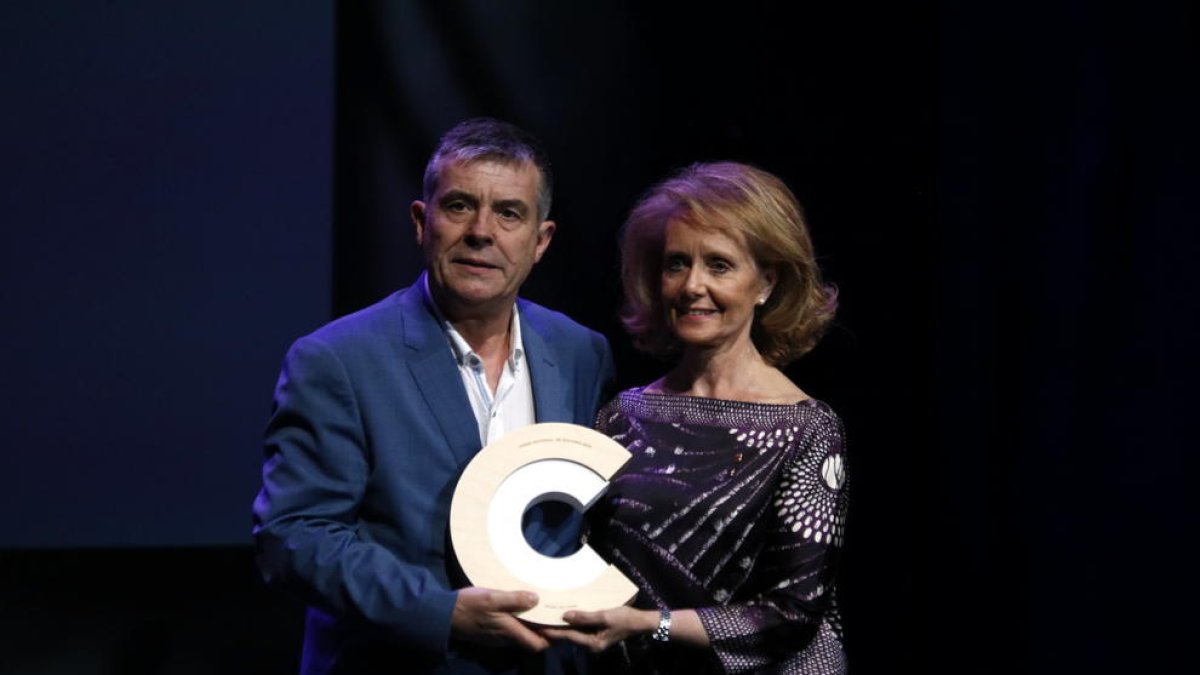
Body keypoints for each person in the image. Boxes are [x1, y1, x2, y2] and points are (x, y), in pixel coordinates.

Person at [253, 117, 615, 675]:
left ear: (541, 241)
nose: (481, 232)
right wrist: (439, 613)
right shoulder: (337, 360)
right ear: (422, 223)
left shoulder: (580, 352)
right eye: (460, 206)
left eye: (509, 213)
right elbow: (294, 537)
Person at [542, 162, 848, 673]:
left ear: (766, 283)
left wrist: (650, 624)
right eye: (676, 263)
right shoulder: (622, 416)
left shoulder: (808, 430)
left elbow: (792, 615)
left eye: (720, 265)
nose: (691, 286)